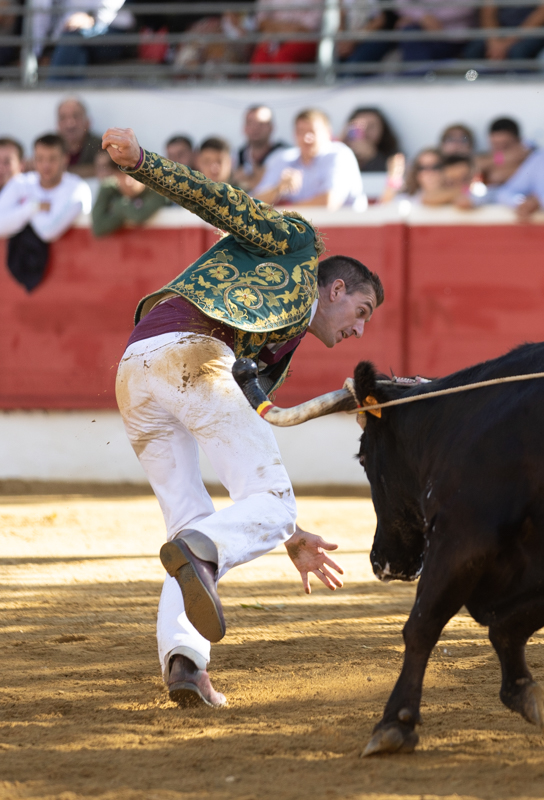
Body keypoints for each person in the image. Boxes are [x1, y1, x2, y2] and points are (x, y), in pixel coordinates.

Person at [100, 124, 381, 709]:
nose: (360, 329)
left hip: (135, 366)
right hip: (192, 351)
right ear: (335, 289)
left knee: (189, 523)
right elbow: (222, 201)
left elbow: (241, 445)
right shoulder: (298, 245)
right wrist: (142, 162)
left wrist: (287, 537)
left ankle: (186, 663)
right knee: (269, 505)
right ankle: (205, 555)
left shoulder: (277, 345)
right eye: (362, 310)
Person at [0, 133, 92, 291]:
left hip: (74, 282)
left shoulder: (77, 188)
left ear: (65, 159)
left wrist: (24, 207)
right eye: (40, 159)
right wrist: (33, 206)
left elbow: (47, 231)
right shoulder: (21, 183)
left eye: (52, 159)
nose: (46, 165)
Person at [254, 109, 365, 210]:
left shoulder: (340, 155)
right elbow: (254, 203)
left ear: (328, 133)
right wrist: (278, 189)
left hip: (346, 225)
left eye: (312, 132)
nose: (306, 138)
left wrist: (284, 212)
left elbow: (329, 202)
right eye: (301, 132)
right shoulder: (284, 158)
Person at [341, 0, 472, 65]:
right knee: (408, 31)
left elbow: (470, 6)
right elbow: (400, 2)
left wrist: (426, 18)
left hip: (458, 38)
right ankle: (416, 81)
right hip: (421, 32)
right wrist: (422, 17)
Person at [91, 156, 171, 237]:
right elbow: (98, 227)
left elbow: (139, 216)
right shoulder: (109, 188)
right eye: (122, 175)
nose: (128, 181)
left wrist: (119, 206)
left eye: (133, 175)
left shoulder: (157, 188)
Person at [462, 2, 544, 62]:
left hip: (531, 32)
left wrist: (508, 42)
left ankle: (521, 85)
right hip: (499, 32)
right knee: (473, 51)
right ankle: (475, 84)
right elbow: (488, 12)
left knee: (518, 52)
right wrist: (493, 40)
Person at [250, 0, 321, 79]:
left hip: (304, 38)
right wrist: (282, 30)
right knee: (261, 58)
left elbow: (311, 26)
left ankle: (289, 85)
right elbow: (261, 21)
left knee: (282, 57)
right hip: (273, 36)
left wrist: (282, 30)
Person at [233, 105, 285, 191]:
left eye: (261, 124)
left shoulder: (285, 156)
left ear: (271, 127)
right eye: (250, 123)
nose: (255, 128)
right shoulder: (236, 156)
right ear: (244, 128)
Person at [341, 107, 401, 173]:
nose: (365, 131)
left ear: (382, 129)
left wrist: (373, 157)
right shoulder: (340, 151)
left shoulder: (393, 156)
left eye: (371, 126)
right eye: (359, 126)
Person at [56, 96, 103, 178]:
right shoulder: (50, 146)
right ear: (58, 124)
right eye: (63, 118)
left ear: (88, 122)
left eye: (76, 116)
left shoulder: (101, 145)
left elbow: (108, 169)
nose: (70, 124)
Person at [478, 117, 530, 187]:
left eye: (505, 145)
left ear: (519, 140)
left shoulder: (530, 158)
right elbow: (475, 166)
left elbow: (496, 176)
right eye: (496, 144)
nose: (500, 150)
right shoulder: (482, 157)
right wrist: (502, 158)